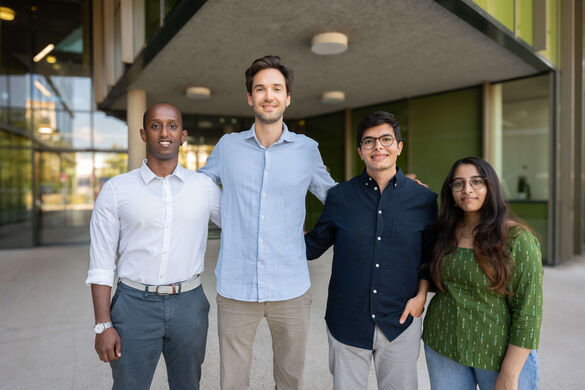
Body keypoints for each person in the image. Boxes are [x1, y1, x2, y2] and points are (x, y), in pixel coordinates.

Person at [199, 55, 335, 390]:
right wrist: (230, 219)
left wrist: (389, 189)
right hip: (235, 286)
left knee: (290, 380)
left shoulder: (307, 149)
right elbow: (198, 190)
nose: (268, 95)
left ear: (288, 97)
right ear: (250, 97)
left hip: (290, 286)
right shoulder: (228, 146)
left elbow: (335, 198)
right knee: (232, 381)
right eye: (260, 89)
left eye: (276, 88)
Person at [85, 103, 220, 390]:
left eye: (172, 125)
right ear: (143, 134)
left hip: (189, 304)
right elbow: (101, 264)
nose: (164, 132)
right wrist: (103, 325)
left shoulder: (204, 187)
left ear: (183, 135)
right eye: (156, 125)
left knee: (188, 385)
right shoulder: (117, 189)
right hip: (133, 306)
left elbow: (241, 226)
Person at [304, 111, 438, 390]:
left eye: (386, 139)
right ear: (360, 151)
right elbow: (312, 247)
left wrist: (420, 298)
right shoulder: (339, 197)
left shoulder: (423, 200)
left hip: (400, 319)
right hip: (347, 320)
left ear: (400, 147)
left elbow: (429, 256)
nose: (378, 147)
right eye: (369, 141)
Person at [423, 156, 543, 390]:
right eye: (458, 183)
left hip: (497, 353)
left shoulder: (518, 240)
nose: (467, 189)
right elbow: (432, 278)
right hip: (444, 344)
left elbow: (529, 312)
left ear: (491, 187)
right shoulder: (444, 231)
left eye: (476, 182)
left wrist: (509, 374)